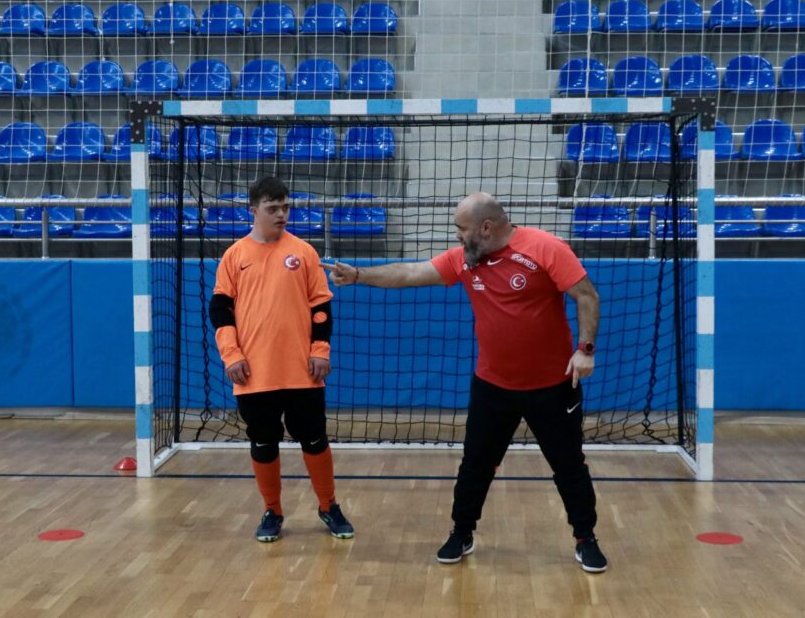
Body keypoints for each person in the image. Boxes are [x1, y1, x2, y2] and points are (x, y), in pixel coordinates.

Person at [322, 192, 607, 573]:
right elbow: (410, 272)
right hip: (493, 386)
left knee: (569, 465)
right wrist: (359, 276)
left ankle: (585, 538)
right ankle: (462, 532)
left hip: (553, 386)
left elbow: (586, 295)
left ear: (485, 228)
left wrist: (585, 349)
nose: (457, 236)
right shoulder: (465, 260)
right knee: (475, 464)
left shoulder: (545, 248)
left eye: (461, 229)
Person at [209, 177, 354, 543]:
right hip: (253, 373)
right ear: (253, 211)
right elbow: (220, 311)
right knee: (263, 443)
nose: (282, 214)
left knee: (315, 440)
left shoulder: (304, 252)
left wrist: (320, 351)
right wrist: (232, 356)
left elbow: (321, 308)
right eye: (273, 208)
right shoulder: (235, 256)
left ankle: (328, 505)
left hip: (303, 372)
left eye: (286, 207)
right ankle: (272, 510)